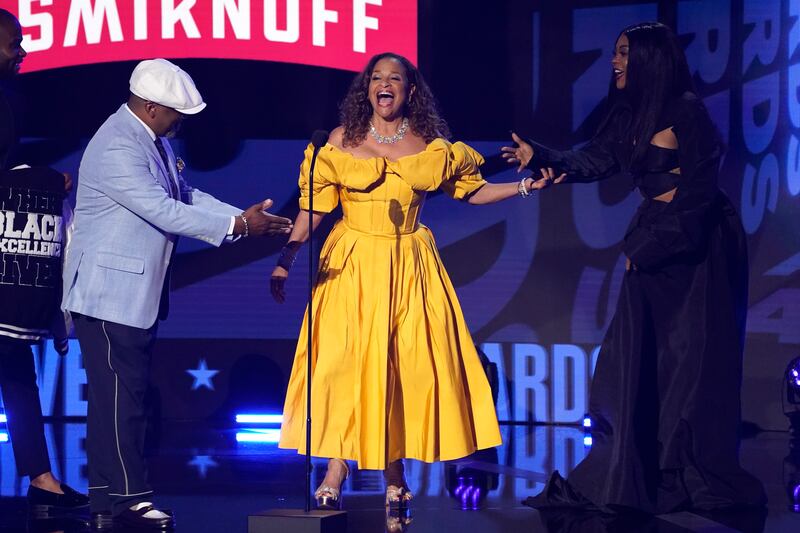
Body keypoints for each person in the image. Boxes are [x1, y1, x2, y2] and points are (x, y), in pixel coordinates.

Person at [271, 52, 558, 511]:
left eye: (395, 79)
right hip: (351, 264)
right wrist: (286, 257)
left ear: (409, 91)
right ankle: (336, 467)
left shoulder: (431, 144)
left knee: (400, 368)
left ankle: (394, 470)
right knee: (344, 365)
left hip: (408, 264)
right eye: (376, 78)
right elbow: (314, 209)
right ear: (367, 89)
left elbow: (472, 190)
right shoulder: (340, 141)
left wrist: (523, 188)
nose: (384, 84)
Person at [502, 22, 766, 513]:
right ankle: (642, 466)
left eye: (623, 52)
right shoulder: (630, 113)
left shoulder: (688, 112)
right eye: (614, 52)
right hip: (653, 237)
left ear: (649, 58)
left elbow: (698, 194)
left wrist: (647, 246)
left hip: (697, 245)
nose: (614, 61)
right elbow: (596, 160)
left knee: (690, 362)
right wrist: (541, 155)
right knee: (639, 356)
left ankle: (683, 470)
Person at [63, 58, 293, 530]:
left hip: (128, 294)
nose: (180, 122)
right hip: (108, 294)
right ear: (150, 107)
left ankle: (106, 498)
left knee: (117, 398)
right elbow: (161, 209)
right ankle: (131, 498)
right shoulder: (116, 145)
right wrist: (239, 227)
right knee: (123, 400)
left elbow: (184, 195)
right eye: (175, 113)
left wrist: (242, 220)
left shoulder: (150, 140)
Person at [0, 8, 90, 518]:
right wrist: (42, 182)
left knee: (14, 362)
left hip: (6, 260)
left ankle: (42, 478)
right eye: (14, 42)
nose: (21, 51)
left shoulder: (7, 101)